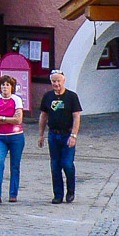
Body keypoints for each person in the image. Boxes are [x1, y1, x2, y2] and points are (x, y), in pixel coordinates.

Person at [38, 70, 83, 203]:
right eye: (53, 81)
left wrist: (74, 135)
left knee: (67, 164)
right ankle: (58, 194)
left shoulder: (71, 97)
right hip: (53, 134)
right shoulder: (47, 96)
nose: (56, 84)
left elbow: (76, 116)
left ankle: (70, 191)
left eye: (58, 81)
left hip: (67, 134)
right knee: (55, 165)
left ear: (63, 81)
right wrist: (41, 134)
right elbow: (43, 116)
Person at [0, 74, 24, 204]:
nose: (5, 87)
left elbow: (18, 120)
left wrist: (1, 118)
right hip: (1, 137)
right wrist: (9, 119)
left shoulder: (17, 100)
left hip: (16, 137)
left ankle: (13, 193)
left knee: (15, 165)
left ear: (12, 87)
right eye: (3, 85)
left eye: (7, 85)